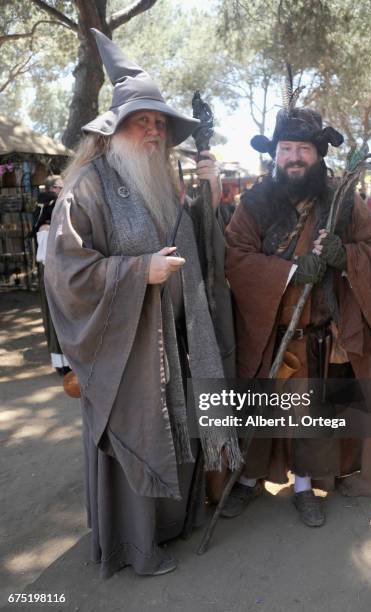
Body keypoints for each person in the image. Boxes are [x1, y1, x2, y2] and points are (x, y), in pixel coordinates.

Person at [44, 29, 241, 578]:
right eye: (142, 121)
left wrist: (208, 197)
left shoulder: (165, 181)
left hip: (176, 340)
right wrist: (137, 272)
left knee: (180, 431)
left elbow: (201, 255)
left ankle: (173, 527)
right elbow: (67, 273)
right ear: (114, 131)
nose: (154, 131)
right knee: (139, 438)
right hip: (125, 350)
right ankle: (135, 546)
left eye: (160, 123)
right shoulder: (86, 186)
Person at [224, 100, 371, 526]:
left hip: (320, 336)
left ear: (318, 154)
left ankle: (304, 486)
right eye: (286, 148)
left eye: (303, 149)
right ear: (274, 154)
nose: (294, 157)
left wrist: (345, 256)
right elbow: (235, 257)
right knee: (258, 410)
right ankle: (247, 480)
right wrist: (289, 272)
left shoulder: (342, 201)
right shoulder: (255, 203)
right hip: (269, 334)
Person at [29, 175, 70, 374]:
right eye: (61, 187)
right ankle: (61, 363)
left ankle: (68, 361)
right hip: (52, 275)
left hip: (58, 273)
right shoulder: (45, 228)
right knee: (56, 317)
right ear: (53, 189)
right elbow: (47, 258)